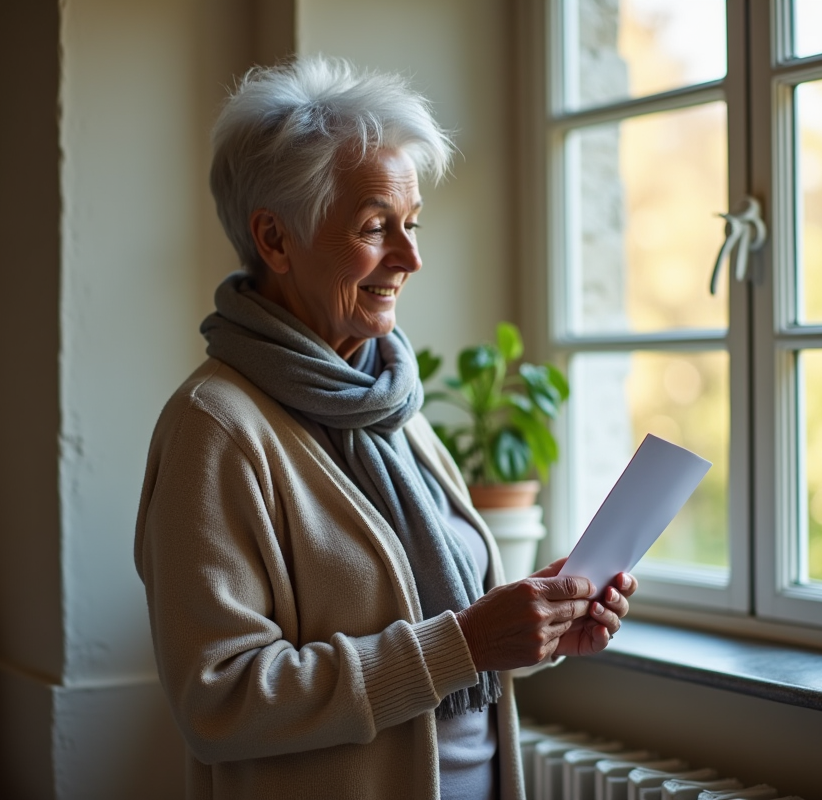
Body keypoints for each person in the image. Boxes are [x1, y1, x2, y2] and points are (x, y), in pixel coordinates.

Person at [134, 55, 637, 800]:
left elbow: (442, 634)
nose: (411, 257)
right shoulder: (215, 429)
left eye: (412, 224)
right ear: (274, 239)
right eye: (376, 229)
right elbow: (222, 699)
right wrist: (466, 644)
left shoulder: (387, 399)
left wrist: (539, 622)